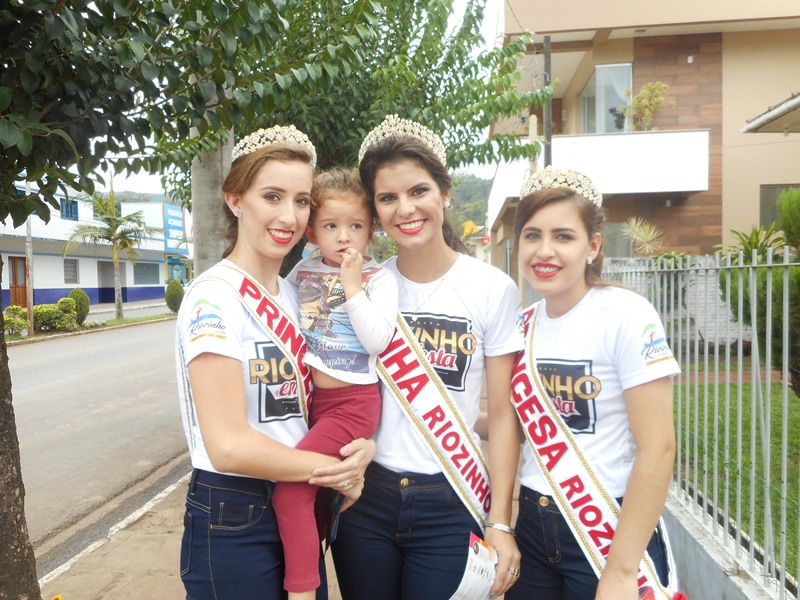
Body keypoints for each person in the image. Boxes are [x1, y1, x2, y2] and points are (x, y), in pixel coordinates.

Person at [175, 125, 375, 600]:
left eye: (302, 200)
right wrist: (326, 469)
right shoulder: (213, 298)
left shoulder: (299, 293)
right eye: (272, 196)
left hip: (301, 504)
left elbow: (325, 398)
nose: (289, 215)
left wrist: (360, 452)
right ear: (235, 199)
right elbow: (228, 446)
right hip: (234, 511)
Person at [331, 115, 525, 599]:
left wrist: (500, 521)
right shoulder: (362, 285)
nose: (406, 209)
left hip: (451, 498)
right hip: (365, 497)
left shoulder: (492, 290)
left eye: (418, 191)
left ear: (445, 193)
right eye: (388, 198)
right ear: (375, 210)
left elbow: (503, 416)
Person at [506, 166, 683, 600]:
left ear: (593, 245)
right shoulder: (521, 326)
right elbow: (512, 425)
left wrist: (622, 570)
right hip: (532, 523)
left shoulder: (625, 314)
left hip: (607, 526)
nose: (544, 251)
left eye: (563, 236)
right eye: (532, 235)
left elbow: (658, 447)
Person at [273, 167, 399, 599]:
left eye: (355, 226)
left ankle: (303, 589)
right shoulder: (302, 271)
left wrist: (352, 287)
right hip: (311, 402)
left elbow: (379, 341)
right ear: (311, 231)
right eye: (330, 226)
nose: (344, 237)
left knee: (290, 493)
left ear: (372, 230)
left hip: (353, 404)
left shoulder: (379, 279)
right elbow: (278, 310)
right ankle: (308, 562)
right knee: (315, 496)